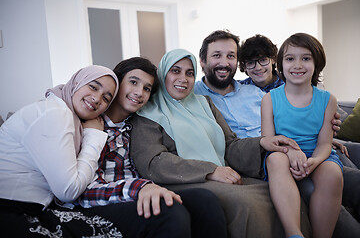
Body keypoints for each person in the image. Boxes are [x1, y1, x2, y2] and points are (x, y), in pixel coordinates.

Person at [130, 48, 311, 238]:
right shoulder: (147, 112)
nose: (183, 79)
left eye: (189, 73)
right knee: (244, 202)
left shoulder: (204, 103)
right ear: (162, 74)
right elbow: (154, 162)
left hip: (222, 173)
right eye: (175, 71)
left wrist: (263, 142)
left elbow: (230, 145)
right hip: (183, 181)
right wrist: (211, 171)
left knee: (280, 195)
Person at [195, 30, 360, 237]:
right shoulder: (195, 96)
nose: (225, 62)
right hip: (271, 154)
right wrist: (291, 149)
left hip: (311, 147)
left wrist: (324, 130)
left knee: (351, 159)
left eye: (231, 56)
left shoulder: (252, 90)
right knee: (333, 185)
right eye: (216, 55)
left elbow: (295, 105)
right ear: (202, 61)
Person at [75, 57, 228, 238]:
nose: (139, 92)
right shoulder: (92, 126)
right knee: (170, 213)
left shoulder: (137, 124)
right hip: (103, 202)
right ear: (116, 83)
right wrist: (141, 187)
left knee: (205, 201)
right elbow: (84, 191)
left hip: (140, 192)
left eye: (147, 88)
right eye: (133, 82)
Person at [0, 65, 122, 237]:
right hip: (11, 212)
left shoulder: (66, 115)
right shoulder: (56, 113)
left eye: (106, 98)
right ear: (77, 83)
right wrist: (94, 136)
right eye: (93, 87)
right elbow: (68, 191)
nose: (96, 98)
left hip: (30, 208)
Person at [261, 32, 343, 238]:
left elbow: (325, 143)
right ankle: (294, 233)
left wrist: (314, 161)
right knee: (276, 160)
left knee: (333, 173)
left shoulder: (327, 99)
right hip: (282, 153)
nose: (297, 65)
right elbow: (268, 140)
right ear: (280, 64)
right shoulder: (270, 99)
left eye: (305, 58)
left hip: (317, 154)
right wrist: (290, 150)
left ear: (317, 63)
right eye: (290, 59)